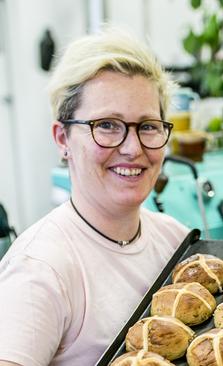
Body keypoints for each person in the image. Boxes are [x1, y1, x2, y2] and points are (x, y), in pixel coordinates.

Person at [0, 29, 190, 365]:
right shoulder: (41, 271)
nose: (133, 149)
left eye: (147, 126)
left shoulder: (175, 240)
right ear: (63, 138)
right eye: (107, 125)